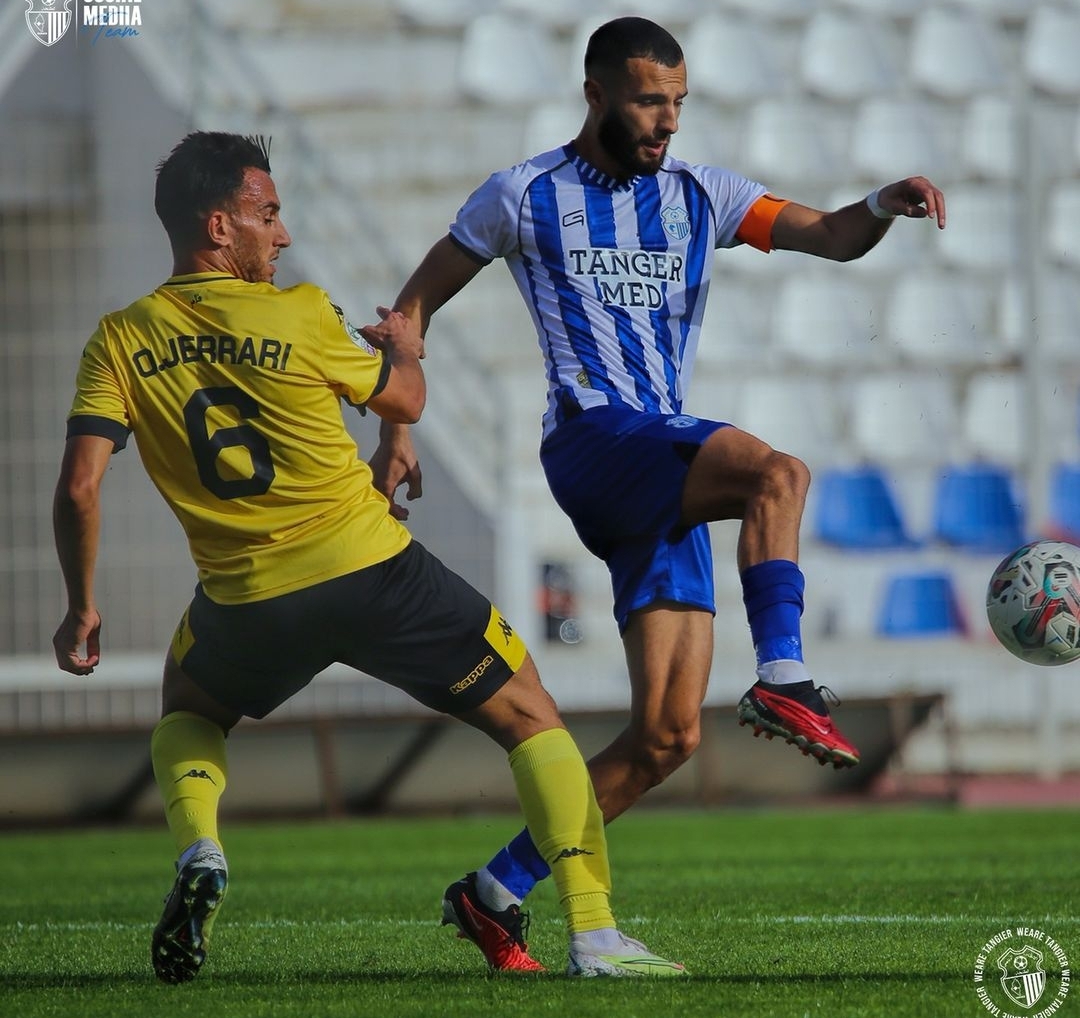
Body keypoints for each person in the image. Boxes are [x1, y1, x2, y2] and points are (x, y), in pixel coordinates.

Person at [373, 16, 948, 971]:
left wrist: (884, 203)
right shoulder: (523, 195)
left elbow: (836, 239)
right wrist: (396, 425)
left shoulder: (702, 196)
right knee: (780, 474)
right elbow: (412, 308)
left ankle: (492, 892)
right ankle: (784, 674)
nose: (666, 122)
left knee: (667, 737)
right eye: (648, 100)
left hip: (661, 465)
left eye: (677, 102)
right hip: (597, 441)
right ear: (595, 93)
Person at [51, 131, 686, 981]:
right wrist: (402, 348)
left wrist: (81, 605)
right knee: (533, 717)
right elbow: (409, 398)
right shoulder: (301, 311)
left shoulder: (118, 340)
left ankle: (201, 847)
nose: (281, 234)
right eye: (266, 215)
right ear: (217, 226)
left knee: (190, 713)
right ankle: (596, 934)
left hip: (244, 600)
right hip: (373, 571)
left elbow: (80, 490)